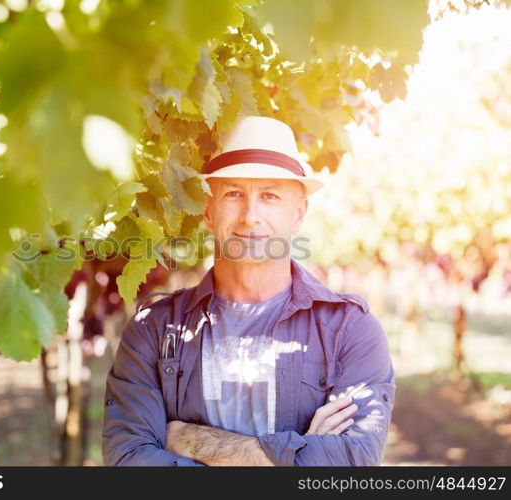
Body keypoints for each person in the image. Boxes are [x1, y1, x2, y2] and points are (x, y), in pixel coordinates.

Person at [102, 116, 396, 466]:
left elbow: (352, 462)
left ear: (298, 213)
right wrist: (298, 454)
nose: (250, 216)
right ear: (209, 210)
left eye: (270, 196)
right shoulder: (154, 328)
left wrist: (188, 440)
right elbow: (129, 461)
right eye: (233, 194)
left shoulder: (349, 331)